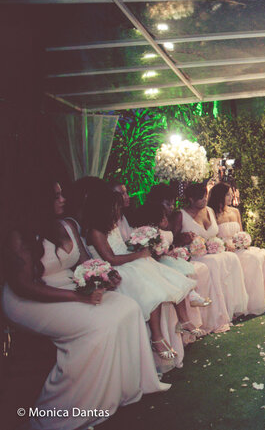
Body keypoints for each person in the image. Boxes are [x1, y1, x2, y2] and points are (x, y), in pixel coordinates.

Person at [2, 179, 169, 430]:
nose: (63, 200)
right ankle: (67, 407)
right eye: (56, 196)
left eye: (62, 195)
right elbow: (23, 286)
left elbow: (84, 261)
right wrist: (77, 297)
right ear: (38, 200)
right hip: (31, 298)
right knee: (99, 326)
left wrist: (103, 275)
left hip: (70, 285)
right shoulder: (20, 235)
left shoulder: (67, 225)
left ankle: (122, 388)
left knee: (127, 308)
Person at [84, 182, 199, 363]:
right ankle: (157, 338)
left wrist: (142, 249)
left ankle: (183, 321)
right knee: (150, 285)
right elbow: (111, 259)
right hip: (116, 269)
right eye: (114, 207)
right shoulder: (96, 231)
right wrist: (139, 254)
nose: (118, 211)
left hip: (127, 261)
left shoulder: (111, 225)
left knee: (162, 271)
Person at [145, 183, 232, 333]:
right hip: (159, 259)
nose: (171, 207)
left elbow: (170, 241)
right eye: (168, 204)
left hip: (171, 255)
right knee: (192, 268)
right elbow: (163, 242)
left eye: (172, 204)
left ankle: (194, 315)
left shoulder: (166, 217)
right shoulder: (156, 220)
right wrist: (178, 244)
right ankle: (187, 315)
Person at [180, 182, 250, 319]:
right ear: (191, 199)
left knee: (231, 258)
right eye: (201, 197)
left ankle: (231, 306)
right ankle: (217, 313)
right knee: (215, 263)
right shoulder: (181, 215)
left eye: (205, 196)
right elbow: (175, 239)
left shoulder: (210, 211)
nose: (205, 200)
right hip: (195, 254)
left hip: (213, 251)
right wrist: (185, 239)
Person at [208, 182, 265, 314]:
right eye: (228, 194)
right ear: (220, 196)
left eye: (231, 194)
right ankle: (245, 303)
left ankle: (255, 301)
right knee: (253, 259)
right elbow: (212, 236)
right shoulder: (213, 213)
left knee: (262, 257)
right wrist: (225, 245)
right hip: (225, 250)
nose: (231, 197)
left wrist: (243, 241)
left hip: (239, 246)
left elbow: (241, 231)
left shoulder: (235, 211)